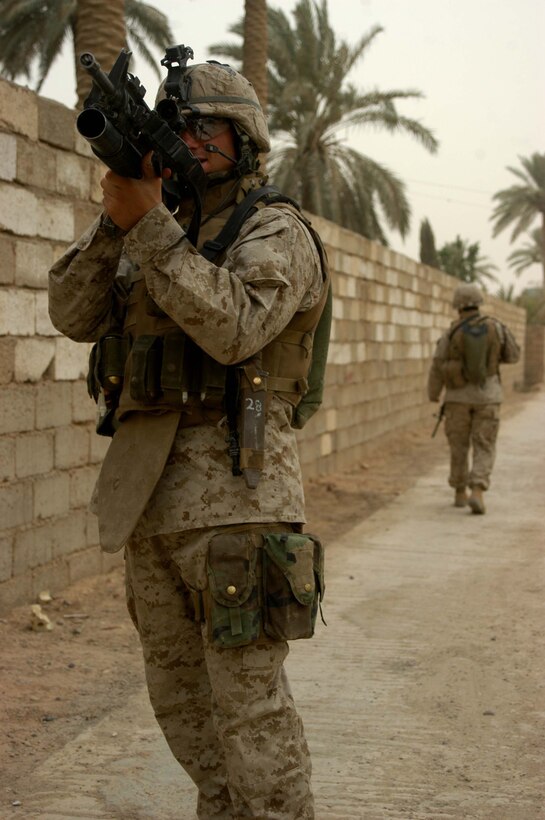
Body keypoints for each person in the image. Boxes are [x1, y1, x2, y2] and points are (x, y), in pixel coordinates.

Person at [48, 53, 330, 819]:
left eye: (210, 128)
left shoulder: (274, 230)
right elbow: (71, 315)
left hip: (238, 501)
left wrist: (152, 230)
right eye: (181, 128)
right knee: (179, 701)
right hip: (147, 499)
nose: (193, 142)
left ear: (244, 139)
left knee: (250, 706)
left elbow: (237, 326)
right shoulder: (149, 223)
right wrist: (117, 221)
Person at [427, 283, 520, 514]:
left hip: (457, 399)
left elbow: (438, 365)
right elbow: (514, 355)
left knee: (458, 446)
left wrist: (433, 393)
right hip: (488, 397)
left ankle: (460, 492)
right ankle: (477, 489)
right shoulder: (496, 328)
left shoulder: (451, 332)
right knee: (484, 444)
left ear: (457, 306)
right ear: (479, 303)